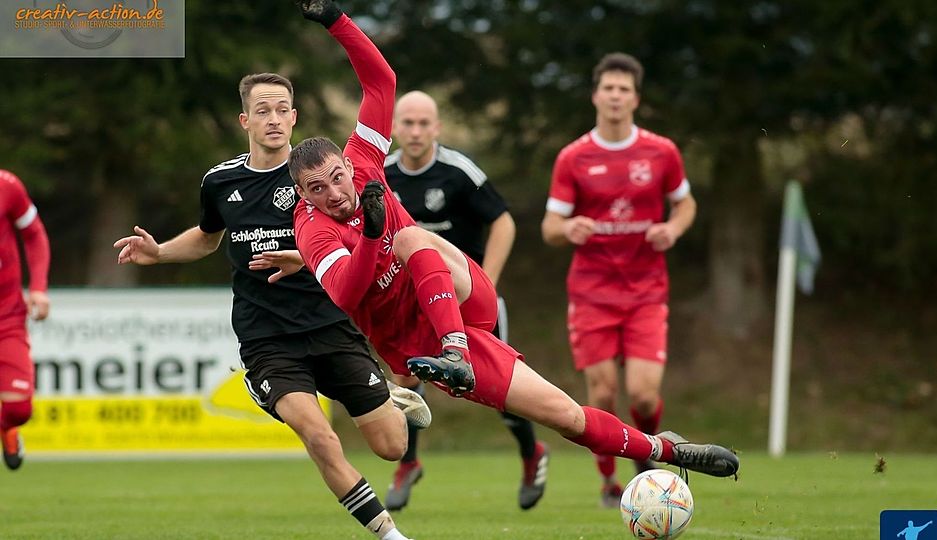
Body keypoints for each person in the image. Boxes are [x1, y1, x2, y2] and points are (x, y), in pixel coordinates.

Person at [275, 7, 737, 491]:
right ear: (303, 195)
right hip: (420, 342)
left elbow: (381, 82)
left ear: (348, 167)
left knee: (411, 236)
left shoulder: (363, 160)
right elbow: (347, 296)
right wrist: (371, 236)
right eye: (317, 188)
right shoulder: (310, 228)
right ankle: (667, 448)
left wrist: (335, 20)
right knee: (567, 416)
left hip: (461, 297)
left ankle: (455, 351)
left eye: (337, 177)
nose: (335, 192)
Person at [112, 3, 425, 539]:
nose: (274, 118)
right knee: (319, 436)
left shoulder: (323, 174)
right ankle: (390, 535)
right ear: (246, 120)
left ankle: (387, 398)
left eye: (283, 108)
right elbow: (209, 239)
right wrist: (159, 251)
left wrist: (308, 258)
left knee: (392, 445)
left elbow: (358, 234)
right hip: (268, 338)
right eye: (263, 110)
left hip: (331, 324)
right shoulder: (220, 183)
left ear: (295, 117)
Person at [540, 52, 698, 507]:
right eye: (608, 87)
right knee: (604, 391)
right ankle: (609, 478)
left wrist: (674, 228)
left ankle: (643, 455)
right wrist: (567, 228)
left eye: (623, 89)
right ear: (595, 95)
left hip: (647, 291)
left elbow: (685, 204)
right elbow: (549, 227)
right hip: (591, 293)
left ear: (635, 98)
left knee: (645, 397)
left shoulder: (661, 151)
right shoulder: (574, 157)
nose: (615, 95)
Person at [382, 90, 549, 511]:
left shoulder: (458, 172)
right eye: (408, 123)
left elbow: (503, 222)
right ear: (395, 127)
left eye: (424, 123)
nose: (416, 131)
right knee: (405, 380)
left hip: (469, 303)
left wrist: (486, 282)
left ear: (436, 127)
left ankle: (531, 455)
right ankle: (408, 463)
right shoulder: (381, 175)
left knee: (504, 391)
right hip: (417, 303)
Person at [0, 169, 51, 472]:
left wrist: (39, 289)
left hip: (7, 316)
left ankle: (9, 427)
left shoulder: (7, 186)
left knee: (19, 410)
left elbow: (34, 234)